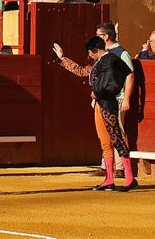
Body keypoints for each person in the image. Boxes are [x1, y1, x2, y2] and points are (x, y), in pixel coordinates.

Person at [53, 36, 136, 191]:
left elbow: (113, 82)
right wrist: (62, 58)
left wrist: (97, 93)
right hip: (100, 104)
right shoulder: (100, 63)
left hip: (108, 104)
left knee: (117, 138)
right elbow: (81, 71)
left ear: (95, 50)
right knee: (105, 141)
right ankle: (109, 179)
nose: (89, 56)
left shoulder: (110, 60)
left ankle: (130, 178)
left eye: (90, 53)